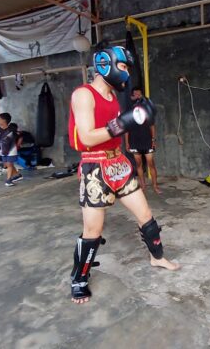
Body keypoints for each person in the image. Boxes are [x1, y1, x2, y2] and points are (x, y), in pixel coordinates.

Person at [68, 45, 179, 304]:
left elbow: (116, 133)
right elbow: (86, 136)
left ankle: (157, 256)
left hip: (118, 163)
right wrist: (125, 122)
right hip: (94, 167)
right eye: (123, 67)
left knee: (145, 214)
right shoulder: (84, 94)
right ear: (106, 64)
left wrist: (133, 121)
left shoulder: (114, 99)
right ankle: (79, 279)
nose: (126, 73)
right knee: (92, 230)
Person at [125, 87, 161, 194]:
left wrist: (153, 140)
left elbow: (152, 126)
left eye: (139, 94)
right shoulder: (129, 110)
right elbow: (127, 129)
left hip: (147, 140)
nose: (137, 96)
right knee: (139, 164)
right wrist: (127, 143)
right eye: (135, 94)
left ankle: (155, 186)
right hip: (134, 141)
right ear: (132, 96)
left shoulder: (147, 109)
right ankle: (143, 186)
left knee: (151, 163)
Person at [0, 114, 22, 187]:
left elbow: (20, 136)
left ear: (4, 120)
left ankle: (8, 180)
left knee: (9, 165)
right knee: (7, 164)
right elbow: (0, 140)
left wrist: (18, 145)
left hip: (11, 150)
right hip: (3, 150)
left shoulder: (12, 129)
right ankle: (18, 175)